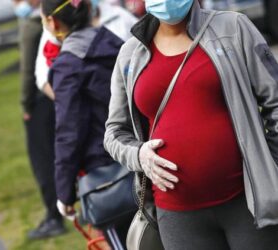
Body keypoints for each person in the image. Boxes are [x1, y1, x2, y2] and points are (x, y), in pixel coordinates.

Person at [104, 0, 278, 249]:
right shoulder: (131, 53)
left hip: (248, 204)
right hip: (177, 216)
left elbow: (274, 99)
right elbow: (114, 132)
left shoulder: (233, 28)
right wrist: (139, 155)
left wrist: (272, 166)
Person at [41, 0, 133, 248]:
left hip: (107, 175)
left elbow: (69, 133)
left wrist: (64, 192)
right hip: (143, 156)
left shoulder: (68, 65)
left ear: (52, 22)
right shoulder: (117, 43)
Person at [13, 0, 65, 240]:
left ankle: (53, 216)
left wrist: (25, 104)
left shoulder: (32, 25)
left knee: (43, 161)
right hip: (62, 94)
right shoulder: (62, 13)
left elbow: (26, 70)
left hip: (40, 98)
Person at [34, 0, 137, 97]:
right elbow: (42, 76)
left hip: (129, 95)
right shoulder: (55, 31)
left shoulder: (119, 15)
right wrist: (65, 97)